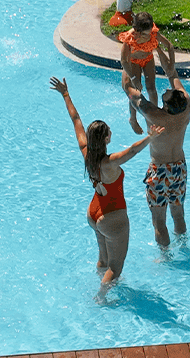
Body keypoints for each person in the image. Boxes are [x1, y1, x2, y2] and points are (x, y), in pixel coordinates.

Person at [50, 76, 152, 297]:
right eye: (109, 133)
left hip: (93, 213)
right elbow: (132, 151)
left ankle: (100, 279)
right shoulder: (110, 162)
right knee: (116, 268)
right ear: (106, 139)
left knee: (104, 259)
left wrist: (65, 94)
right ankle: (100, 297)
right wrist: (150, 137)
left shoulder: (86, 152)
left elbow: (75, 118)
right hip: (112, 217)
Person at [128, 80, 190, 246]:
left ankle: (165, 257)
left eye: (168, 92)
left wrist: (126, 63)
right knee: (178, 215)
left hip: (160, 171)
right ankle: (183, 245)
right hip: (179, 169)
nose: (168, 88)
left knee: (159, 221)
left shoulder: (153, 114)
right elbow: (176, 81)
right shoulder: (186, 109)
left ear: (166, 106)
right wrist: (169, 69)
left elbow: (128, 90)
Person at [117, 11, 177, 134]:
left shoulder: (152, 32)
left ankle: (153, 118)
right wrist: (134, 78)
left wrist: (171, 65)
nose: (150, 36)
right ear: (137, 31)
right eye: (146, 34)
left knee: (151, 89)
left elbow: (170, 46)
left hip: (148, 59)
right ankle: (133, 119)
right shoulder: (130, 38)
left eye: (150, 33)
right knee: (135, 92)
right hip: (133, 62)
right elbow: (123, 61)